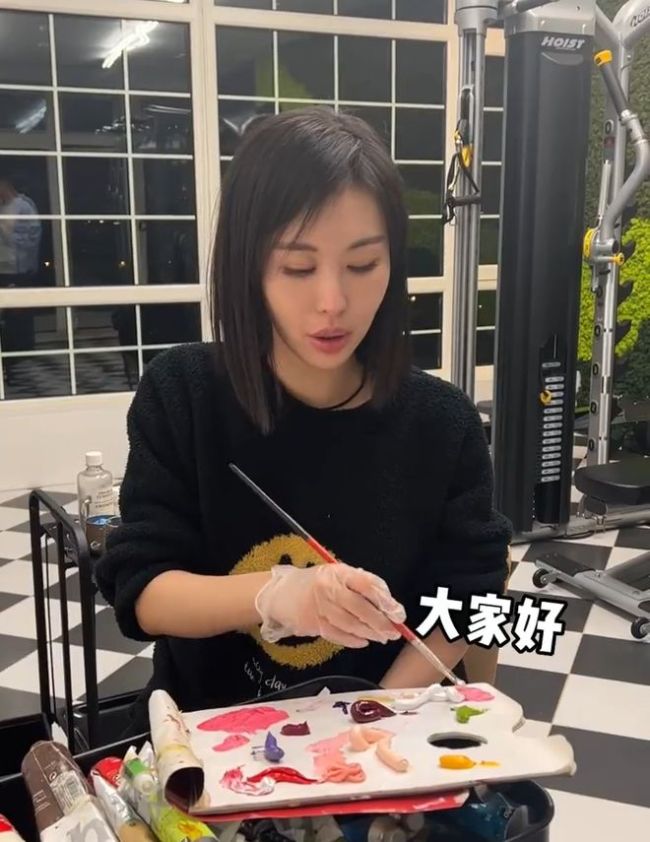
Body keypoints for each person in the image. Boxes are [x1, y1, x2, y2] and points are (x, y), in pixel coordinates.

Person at [95, 107, 511, 733]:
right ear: (247, 265)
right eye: (297, 267)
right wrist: (278, 595)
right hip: (206, 738)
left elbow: (471, 594)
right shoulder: (184, 393)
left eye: (363, 265)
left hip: (379, 737)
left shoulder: (441, 422)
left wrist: (368, 718)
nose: (332, 302)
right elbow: (143, 591)